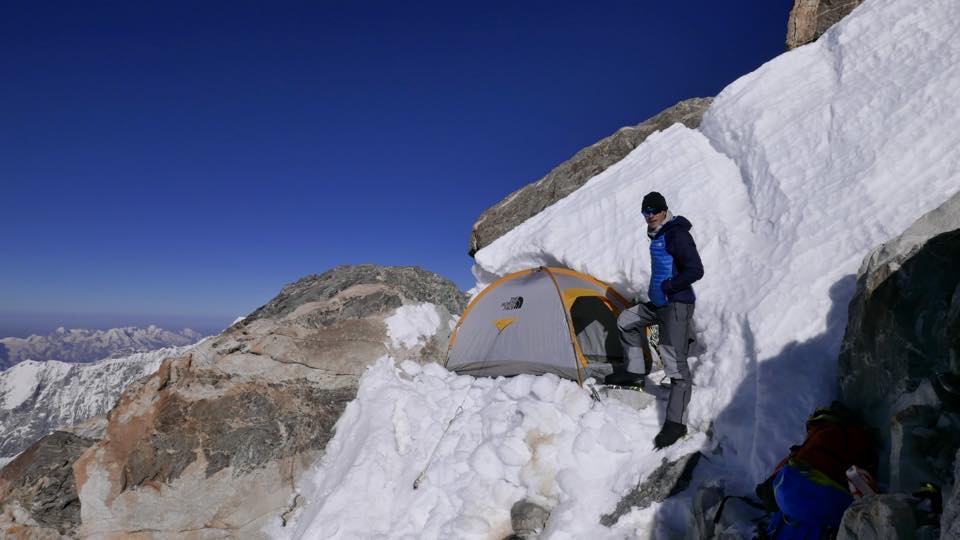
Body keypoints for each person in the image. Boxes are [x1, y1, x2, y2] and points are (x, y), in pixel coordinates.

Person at [614, 191, 704, 449]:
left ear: (664, 210)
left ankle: (676, 423)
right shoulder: (659, 235)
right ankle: (633, 373)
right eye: (645, 212)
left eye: (654, 210)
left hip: (676, 306)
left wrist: (669, 286)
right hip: (660, 304)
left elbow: (696, 270)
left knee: (675, 364)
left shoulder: (677, 234)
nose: (649, 215)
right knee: (626, 320)